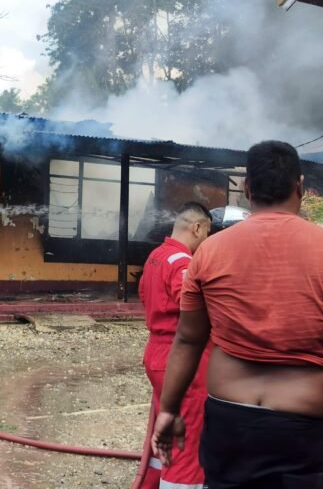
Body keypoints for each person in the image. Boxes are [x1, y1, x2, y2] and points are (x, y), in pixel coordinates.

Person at [153, 141, 323, 489]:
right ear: (300, 187)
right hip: (305, 435)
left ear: (247, 189)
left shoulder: (210, 253)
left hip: (229, 429)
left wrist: (169, 410)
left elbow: (188, 339)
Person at [138, 202, 212, 489]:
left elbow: (146, 295)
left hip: (156, 353)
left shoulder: (155, 256)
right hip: (182, 359)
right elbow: (193, 308)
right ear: (197, 227)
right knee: (187, 440)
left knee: (165, 432)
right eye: (207, 232)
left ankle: (152, 482)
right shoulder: (183, 262)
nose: (206, 239)